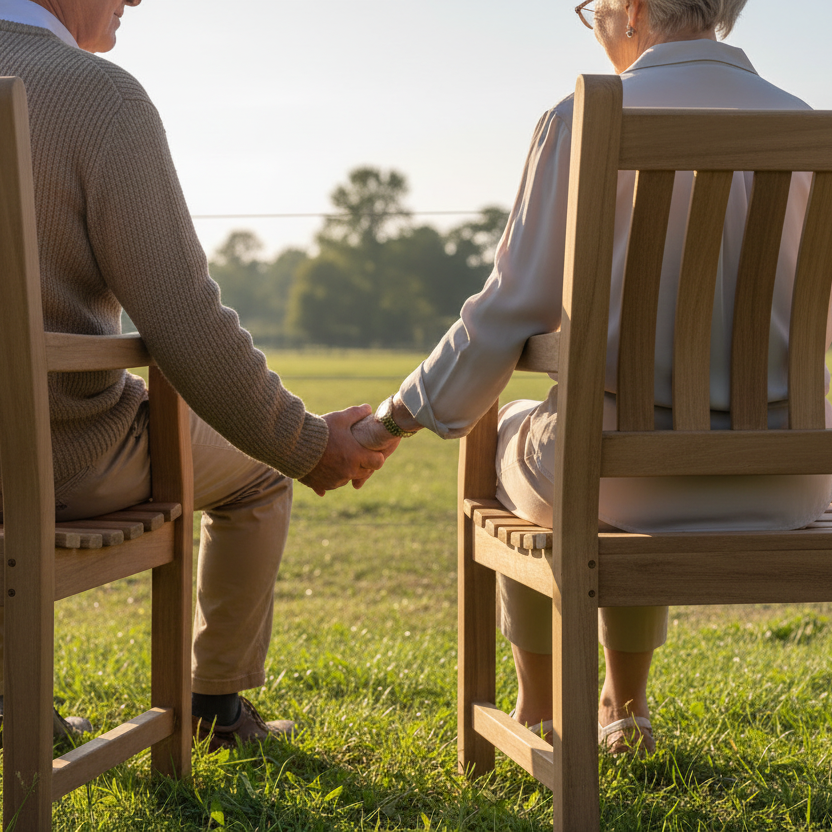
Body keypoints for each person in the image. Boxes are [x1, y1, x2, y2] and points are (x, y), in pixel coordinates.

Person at [353, 0, 832, 754]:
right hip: (789, 484)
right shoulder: (807, 124)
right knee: (607, 437)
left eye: (595, 10)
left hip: (618, 483)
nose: (596, 25)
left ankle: (540, 708)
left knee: (519, 429)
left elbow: (508, 311)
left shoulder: (581, 118)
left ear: (634, 10)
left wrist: (393, 419)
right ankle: (627, 706)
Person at [0, 0, 389, 748]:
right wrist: (307, 444)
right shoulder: (98, 95)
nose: (138, 0)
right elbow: (184, 321)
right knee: (260, 477)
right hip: (66, 458)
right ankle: (215, 709)